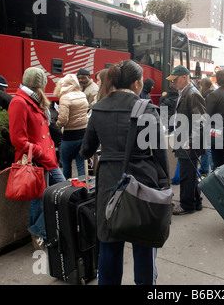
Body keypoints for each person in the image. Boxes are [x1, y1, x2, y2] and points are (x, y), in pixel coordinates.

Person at [80, 60, 168, 285]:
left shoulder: (98, 108)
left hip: (109, 181)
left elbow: (86, 150)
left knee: (109, 241)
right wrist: (164, 183)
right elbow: (159, 152)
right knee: (144, 241)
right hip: (143, 180)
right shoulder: (147, 108)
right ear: (137, 83)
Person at [8, 67, 66, 249]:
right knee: (41, 199)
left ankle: (39, 232)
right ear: (38, 86)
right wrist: (39, 151)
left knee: (60, 193)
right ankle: (39, 234)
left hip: (47, 158)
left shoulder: (32, 100)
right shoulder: (20, 102)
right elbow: (17, 139)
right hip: (38, 159)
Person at [167, 65, 206, 215]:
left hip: (188, 141)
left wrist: (190, 140)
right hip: (185, 139)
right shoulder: (186, 92)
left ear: (184, 77)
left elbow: (200, 120)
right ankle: (195, 202)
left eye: (175, 80)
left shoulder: (192, 93)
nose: (173, 83)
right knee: (189, 174)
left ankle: (187, 205)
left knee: (186, 175)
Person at [54, 74, 89, 179]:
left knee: (66, 163)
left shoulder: (65, 98)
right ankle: (83, 187)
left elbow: (63, 120)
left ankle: (66, 187)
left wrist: (57, 124)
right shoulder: (82, 94)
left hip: (69, 136)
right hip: (83, 134)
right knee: (81, 163)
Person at [198, 77, 215, 175]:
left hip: (207, 124)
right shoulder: (213, 94)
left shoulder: (205, 96)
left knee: (207, 149)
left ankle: (208, 170)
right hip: (212, 124)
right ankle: (205, 168)